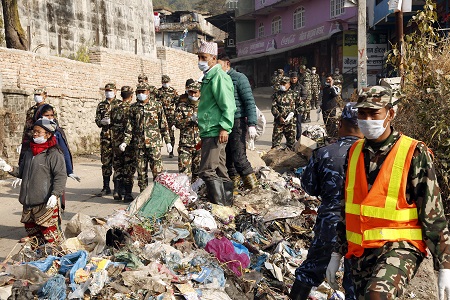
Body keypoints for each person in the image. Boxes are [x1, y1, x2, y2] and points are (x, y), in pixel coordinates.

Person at [326, 86, 450, 299]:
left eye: (374, 113)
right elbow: (347, 207)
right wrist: (337, 251)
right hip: (361, 250)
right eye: (362, 113)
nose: (367, 119)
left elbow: (433, 213)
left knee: (378, 295)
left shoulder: (413, 152)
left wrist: (445, 264)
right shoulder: (354, 153)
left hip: (401, 246)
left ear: (390, 114)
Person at [290, 103, 362, 300]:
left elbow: (309, 187)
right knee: (355, 280)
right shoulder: (372, 156)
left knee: (311, 269)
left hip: (329, 223)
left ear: (340, 124)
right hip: (361, 228)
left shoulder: (324, 153)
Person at [0, 118, 67, 246]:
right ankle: (39, 260)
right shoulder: (30, 152)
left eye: (38, 132)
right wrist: (9, 168)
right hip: (28, 203)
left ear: (48, 134)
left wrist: (55, 194)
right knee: (34, 238)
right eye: (34, 131)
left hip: (45, 203)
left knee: (51, 237)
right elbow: (23, 172)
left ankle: (58, 261)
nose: (34, 134)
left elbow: (60, 176)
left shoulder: (53, 154)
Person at [197, 40, 236, 206]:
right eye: (199, 57)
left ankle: (219, 206)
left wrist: (225, 127)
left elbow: (228, 104)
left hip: (215, 129)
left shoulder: (218, 77)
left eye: (203, 57)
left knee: (207, 170)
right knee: (220, 170)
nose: (200, 61)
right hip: (210, 129)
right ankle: (227, 204)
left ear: (213, 58)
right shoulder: (209, 77)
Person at [217, 54, 259, 193]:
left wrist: (252, 124)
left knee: (239, 157)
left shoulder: (239, 78)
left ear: (227, 64)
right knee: (228, 159)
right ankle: (233, 191)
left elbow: (249, 102)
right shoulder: (218, 79)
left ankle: (255, 190)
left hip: (237, 122)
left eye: (219, 64)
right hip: (223, 123)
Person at [120, 83, 172, 192]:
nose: (140, 94)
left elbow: (163, 124)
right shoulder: (133, 108)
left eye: (143, 92)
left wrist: (168, 142)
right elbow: (130, 127)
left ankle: (158, 195)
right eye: (138, 92)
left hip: (154, 144)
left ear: (148, 92)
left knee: (157, 171)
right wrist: (125, 141)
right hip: (139, 145)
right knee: (141, 172)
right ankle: (143, 195)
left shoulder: (157, 106)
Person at [19, 87, 57, 165]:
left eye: (39, 94)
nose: (37, 96)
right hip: (29, 137)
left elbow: (52, 125)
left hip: (41, 137)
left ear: (45, 96)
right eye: (35, 94)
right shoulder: (31, 109)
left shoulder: (49, 109)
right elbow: (27, 126)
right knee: (25, 158)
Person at [111, 86, 135, 202]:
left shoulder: (114, 108)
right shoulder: (131, 108)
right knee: (128, 167)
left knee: (118, 166)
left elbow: (111, 124)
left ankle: (117, 190)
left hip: (116, 141)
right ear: (131, 96)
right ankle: (128, 194)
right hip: (128, 142)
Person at [174, 81, 201, 182]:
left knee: (199, 175)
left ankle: (196, 195)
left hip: (200, 145)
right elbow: (177, 123)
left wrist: (201, 121)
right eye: (190, 92)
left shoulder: (205, 106)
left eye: (195, 92)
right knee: (183, 175)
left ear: (200, 93)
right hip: (185, 146)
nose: (193, 95)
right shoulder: (182, 106)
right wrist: (190, 120)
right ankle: (184, 195)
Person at [95, 83, 117, 195]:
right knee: (106, 162)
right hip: (105, 137)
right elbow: (97, 120)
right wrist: (101, 122)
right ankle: (106, 186)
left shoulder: (119, 104)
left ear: (115, 91)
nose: (108, 92)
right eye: (107, 90)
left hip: (117, 137)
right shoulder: (101, 105)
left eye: (111, 90)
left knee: (118, 162)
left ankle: (118, 187)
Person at [271, 76, 297, 149]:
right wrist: (279, 117)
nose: (282, 85)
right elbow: (273, 107)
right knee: (275, 145)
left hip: (291, 123)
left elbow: (302, 106)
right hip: (279, 122)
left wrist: (294, 113)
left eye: (284, 83)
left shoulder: (294, 94)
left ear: (289, 84)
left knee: (291, 145)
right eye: (281, 83)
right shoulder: (276, 95)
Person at [157, 75, 178, 158]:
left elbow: (177, 103)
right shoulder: (158, 92)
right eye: (164, 82)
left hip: (170, 116)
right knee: (160, 134)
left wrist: (175, 119)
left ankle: (171, 151)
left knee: (171, 134)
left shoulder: (173, 91)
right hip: (161, 116)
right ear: (162, 82)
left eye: (167, 82)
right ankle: (158, 151)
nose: (166, 84)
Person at [289, 72, 307, 141]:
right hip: (289, 109)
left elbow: (305, 96)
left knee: (298, 123)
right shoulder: (288, 86)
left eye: (294, 78)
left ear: (297, 78)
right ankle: (290, 140)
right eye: (292, 78)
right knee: (290, 125)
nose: (293, 80)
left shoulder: (300, 87)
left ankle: (299, 138)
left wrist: (301, 98)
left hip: (298, 108)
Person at [321, 75, 340, 139]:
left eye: (329, 79)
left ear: (332, 80)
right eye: (327, 79)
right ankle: (329, 136)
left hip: (331, 109)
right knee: (326, 124)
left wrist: (331, 86)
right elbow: (324, 98)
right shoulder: (325, 88)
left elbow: (335, 94)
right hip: (324, 108)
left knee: (332, 124)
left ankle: (333, 137)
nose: (328, 81)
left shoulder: (335, 88)